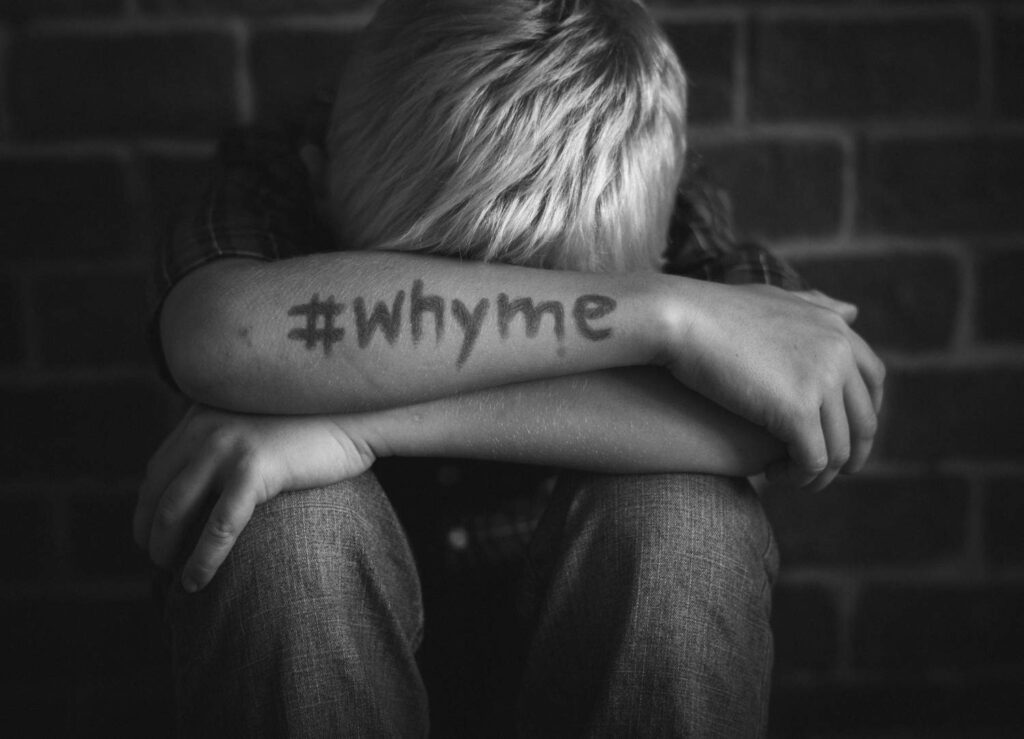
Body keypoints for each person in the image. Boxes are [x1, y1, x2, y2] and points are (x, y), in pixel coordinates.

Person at [135, 0, 885, 735]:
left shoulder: (632, 174)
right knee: (285, 526)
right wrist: (663, 317)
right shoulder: (295, 164)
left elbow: (784, 418)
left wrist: (358, 423)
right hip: (331, 631)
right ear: (321, 183)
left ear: (662, 248)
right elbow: (221, 335)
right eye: (425, 279)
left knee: (682, 513)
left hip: (585, 622)